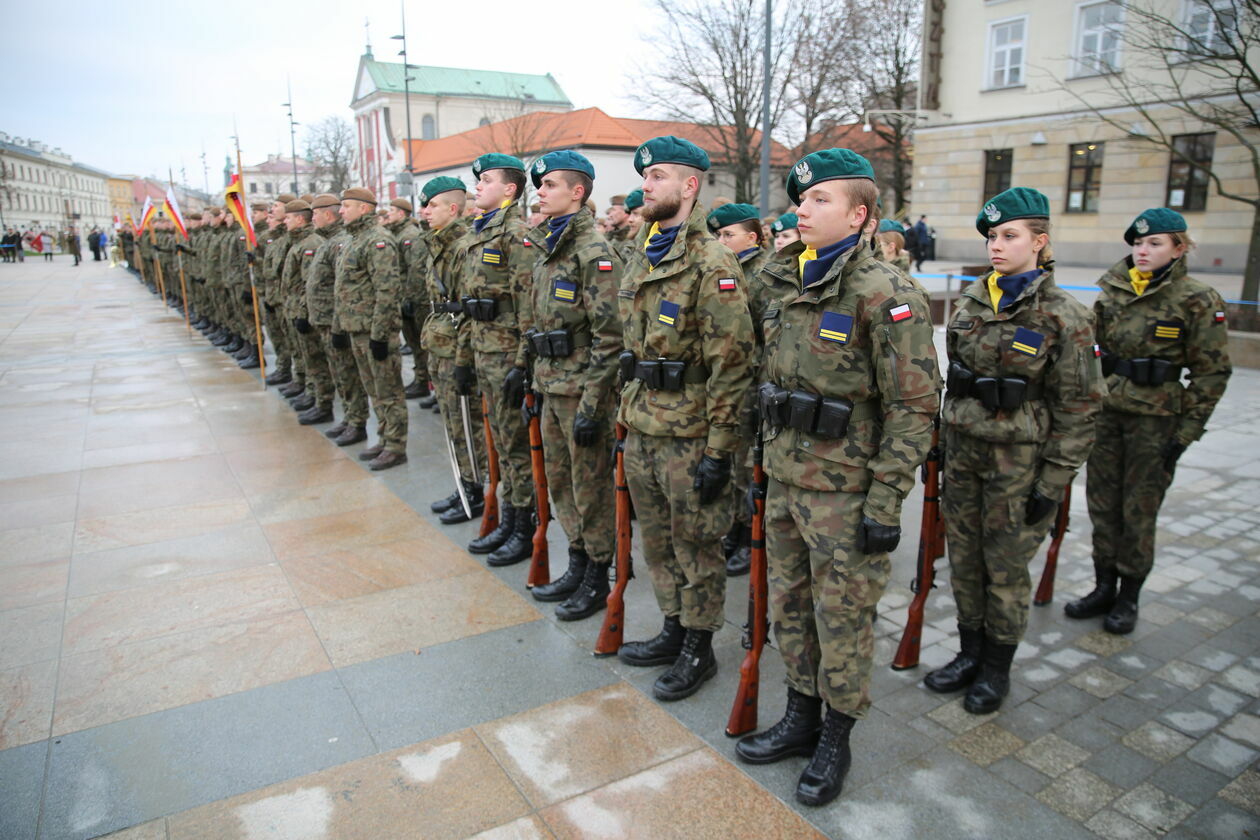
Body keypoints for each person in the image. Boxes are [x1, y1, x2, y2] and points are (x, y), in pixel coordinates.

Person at [732, 149, 940, 807]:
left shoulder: (885, 292)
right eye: (801, 198)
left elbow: (913, 405)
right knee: (789, 604)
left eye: (820, 199)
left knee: (842, 615)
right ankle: (800, 713)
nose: (803, 208)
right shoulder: (788, 279)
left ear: (860, 214)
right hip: (787, 481)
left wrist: (886, 501)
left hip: (847, 494)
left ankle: (836, 733)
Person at [924, 187, 1103, 715]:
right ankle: (968, 653)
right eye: (991, 237)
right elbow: (955, 379)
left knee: (1004, 570)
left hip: (1018, 465)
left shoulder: (1064, 315)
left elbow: (1081, 407)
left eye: (1009, 236)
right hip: (963, 457)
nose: (996, 246)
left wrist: (1052, 484)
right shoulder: (973, 301)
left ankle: (995, 669)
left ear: (1039, 241)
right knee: (964, 561)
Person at [615, 136, 754, 702]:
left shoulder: (711, 263)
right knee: (659, 542)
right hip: (645, 422)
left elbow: (733, 368)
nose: (646, 185)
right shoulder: (642, 252)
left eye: (659, 176)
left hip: (692, 433)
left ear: (689, 186)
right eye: (645, 177)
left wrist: (721, 452)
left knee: (696, 543)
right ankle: (673, 628)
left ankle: (699, 647)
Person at [1070, 209, 1232, 635]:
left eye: (1155, 243)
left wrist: (1185, 433)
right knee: (1103, 505)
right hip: (1108, 417)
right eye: (1138, 244)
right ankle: (1103, 586)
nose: (1142, 251)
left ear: (1179, 249)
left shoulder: (1197, 299)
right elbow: (1091, 357)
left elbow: (1212, 372)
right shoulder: (1112, 292)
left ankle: (1129, 596)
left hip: (1156, 422)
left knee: (1139, 511)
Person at [520, 150, 624, 620]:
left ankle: (599, 574)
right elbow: (536, 320)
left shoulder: (593, 253)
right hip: (549, 385)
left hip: (582, 391)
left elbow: (610, 336)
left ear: (577, 193)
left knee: (590, 488)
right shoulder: (549, 247)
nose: (538, 192)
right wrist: (527, 377)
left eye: (549, 185)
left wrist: (592, 404)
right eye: (538, 186)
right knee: (561, 483)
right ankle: (578, 561)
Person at [456, 154, 536, 564]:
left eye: (486, 180)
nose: (478, 186)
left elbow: (528, 307)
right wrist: (465, 357)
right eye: (478, 180)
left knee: (516, 449)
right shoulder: (479, 233)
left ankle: (524, 527)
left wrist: (522, 365)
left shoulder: (515, 234)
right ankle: (508, 518)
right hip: (485, 352)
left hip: (506, 355)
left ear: (510, 189)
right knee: (502, 446)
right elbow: (475, 304)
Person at [706, 202, 769, 577]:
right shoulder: (722, 269)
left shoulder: (762, 275)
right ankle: (732, 529)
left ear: (753, 237)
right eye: (718, 235)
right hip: (727, 384)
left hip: (750, 385)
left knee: (747, 467)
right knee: (728, 463)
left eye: (728, 234)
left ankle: (748, 535)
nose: (721, 241)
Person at [420, 176, 487, 518]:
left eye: (431, 205)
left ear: (453, 208)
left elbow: (466, 310)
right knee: (451, 422)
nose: (425, 211)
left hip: (456, 349)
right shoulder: (439, 243)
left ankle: (476, 491)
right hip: (440, 344)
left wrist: (464, 359)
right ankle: (464, 483)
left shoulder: (463, 246)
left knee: (466, 423)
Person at [332, 187, 409, 471]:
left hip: (375, 333)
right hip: (357, 329)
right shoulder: (353, 240)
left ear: (363, 208)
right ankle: (384, 438)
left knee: (389, 392)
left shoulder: (378, 241)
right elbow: (346, 290)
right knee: (374, 391)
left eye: (347, 206)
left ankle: (396, 446)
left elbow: (387, 291)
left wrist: (379, 334)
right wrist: (340, 326)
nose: (341, 211)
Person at [307, 194, 370, 446]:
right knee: (340, 374)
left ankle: (357, 421)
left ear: (327, 214)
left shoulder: (340, 243)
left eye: (315, 214)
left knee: (348, 374)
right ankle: (349, 417)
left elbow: (341, 289)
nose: (312, 218)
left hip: (340, 322)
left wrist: (338, 325)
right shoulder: (329, 241)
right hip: (327, 320)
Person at [280, 199, 336, 425]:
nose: (284, 221)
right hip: (298, 309)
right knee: (309, 359)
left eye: (288, 217)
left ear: (299, 219)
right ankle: (315, 397)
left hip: (309, 313)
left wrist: (303, 312)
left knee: (317, 360)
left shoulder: (310, 243)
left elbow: (308, 283)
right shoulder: (300, 242)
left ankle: (323, 403)